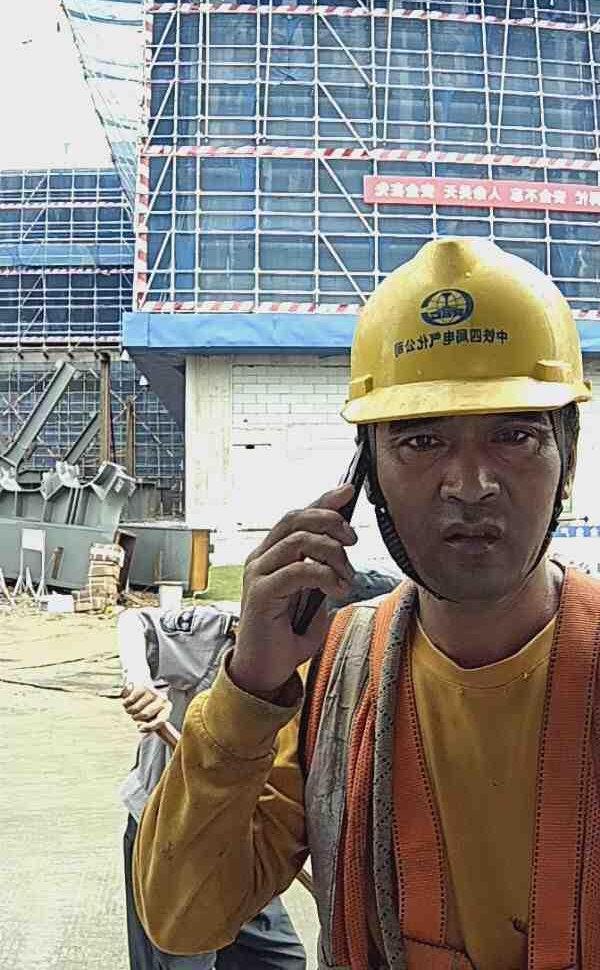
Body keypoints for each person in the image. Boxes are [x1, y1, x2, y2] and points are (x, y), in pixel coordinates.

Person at [132, 236, 600, 970]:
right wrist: (249, 686)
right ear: (367, 478)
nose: (470, 484)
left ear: (566, 463)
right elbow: (183, 917)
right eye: (421, 442)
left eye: (514, 435)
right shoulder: (328, 680)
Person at [118, 603, 308, 970]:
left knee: (280, 962)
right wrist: (140, 682)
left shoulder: (329, 673)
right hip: (168, 837)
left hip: (245, 837)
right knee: (183, 956)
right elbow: (134, 622)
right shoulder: (223, 635)